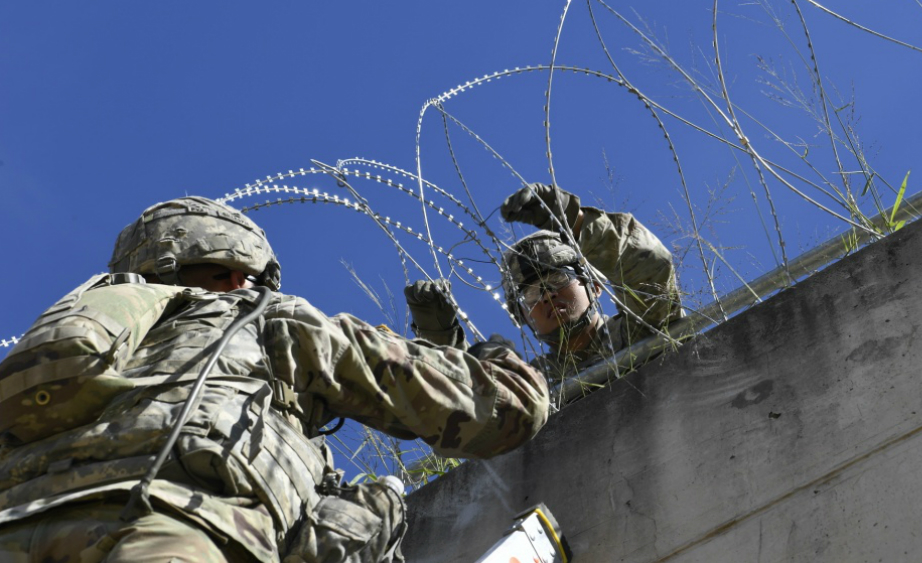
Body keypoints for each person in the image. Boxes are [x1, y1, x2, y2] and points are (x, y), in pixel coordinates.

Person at [0, 196, 549, 563]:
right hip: (170, 531)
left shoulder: (73, 341)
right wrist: (497, 360)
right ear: (241, 271)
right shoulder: (266, 318)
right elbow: (504, 414)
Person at [406, 183, 681, 387]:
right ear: (523, 317)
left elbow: (652, 270)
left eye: (557, 279)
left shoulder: (640, 330)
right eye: (531, 295)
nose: (548, 296)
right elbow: (466, 404)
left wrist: (575, 221)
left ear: (593, 285)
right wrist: (438, 335)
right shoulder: (534, 383)